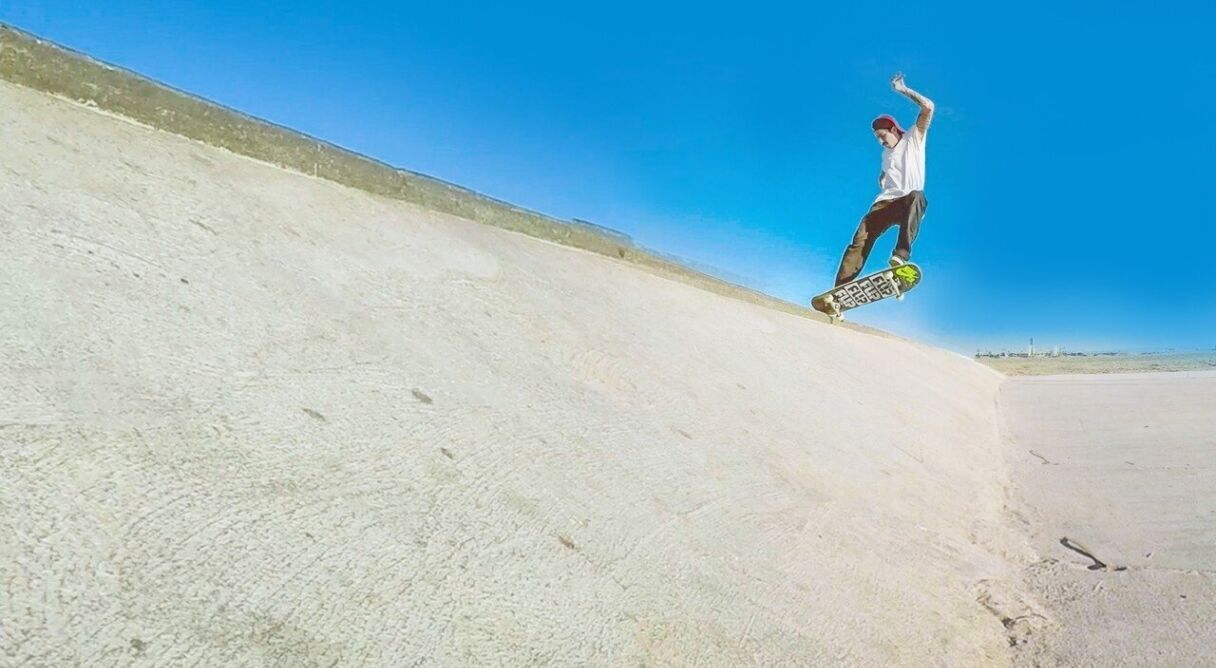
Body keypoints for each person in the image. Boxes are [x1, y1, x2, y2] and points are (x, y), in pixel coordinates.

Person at [816, 73, 934, 310]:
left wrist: (903, 89)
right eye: (877, 139)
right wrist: (882, 176)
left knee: (917, 196)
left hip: (907, 202)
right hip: (884, 204)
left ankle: (900, 256)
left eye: (883, 136)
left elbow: (928, 107)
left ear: (893, 129)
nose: (881, 142)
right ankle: (839, 292)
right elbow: (889, 169)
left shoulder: (914, 138)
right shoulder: (885, 155)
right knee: (859, 241)